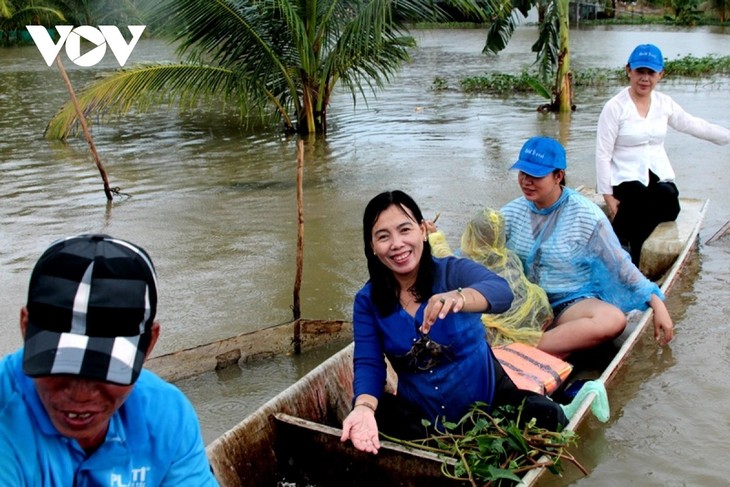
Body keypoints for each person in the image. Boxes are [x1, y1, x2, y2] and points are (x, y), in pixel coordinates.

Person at [340, 190, 567, 455]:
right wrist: (364, 407)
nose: (397, 244)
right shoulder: (368, 301)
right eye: (383, 237)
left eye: (405, 230)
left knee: (548, 415)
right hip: (424, 423)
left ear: (423, 231)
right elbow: (368, 362)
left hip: (493, 406)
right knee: (372, 421)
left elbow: (501, 292)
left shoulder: (452, 272)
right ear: (372, 247)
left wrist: (460, 297)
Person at [0, 234, 219, 486]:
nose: (80, 394)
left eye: (102, 369)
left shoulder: (168, 416)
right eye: (59, 363)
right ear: (25, 328)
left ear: (149, 344)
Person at [502, 136, 674, 359]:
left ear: (558, 176)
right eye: (523, 173)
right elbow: (478, 251)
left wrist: (656, 303)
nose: (526, 181)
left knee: (612, 320)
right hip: (525, 300)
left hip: (569, 302)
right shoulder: (512, 212)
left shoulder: (586, 215)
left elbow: (620, 264)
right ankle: (545, 344)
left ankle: (521, 348)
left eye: (536, 175)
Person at [596, 43, 730, 266]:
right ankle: (629, 257)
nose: (645, 78)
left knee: (669, 199)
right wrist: (608, 197)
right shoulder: (615, 107)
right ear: (629, 70)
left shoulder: (664, 103)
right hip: (625, 177)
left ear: (660, 74)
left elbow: (694, 125)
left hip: (657, 174)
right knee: (638, 198)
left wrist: (727, 136)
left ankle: (622, 241)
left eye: (651, 73)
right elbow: (602, 153)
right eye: (640, 71)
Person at [427, 208, 553, 346]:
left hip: (497, 323)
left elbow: (444, 256)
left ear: (471, 235)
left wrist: (434, 235)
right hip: (524, 316)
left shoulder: (469, 263)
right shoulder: (510, 257)